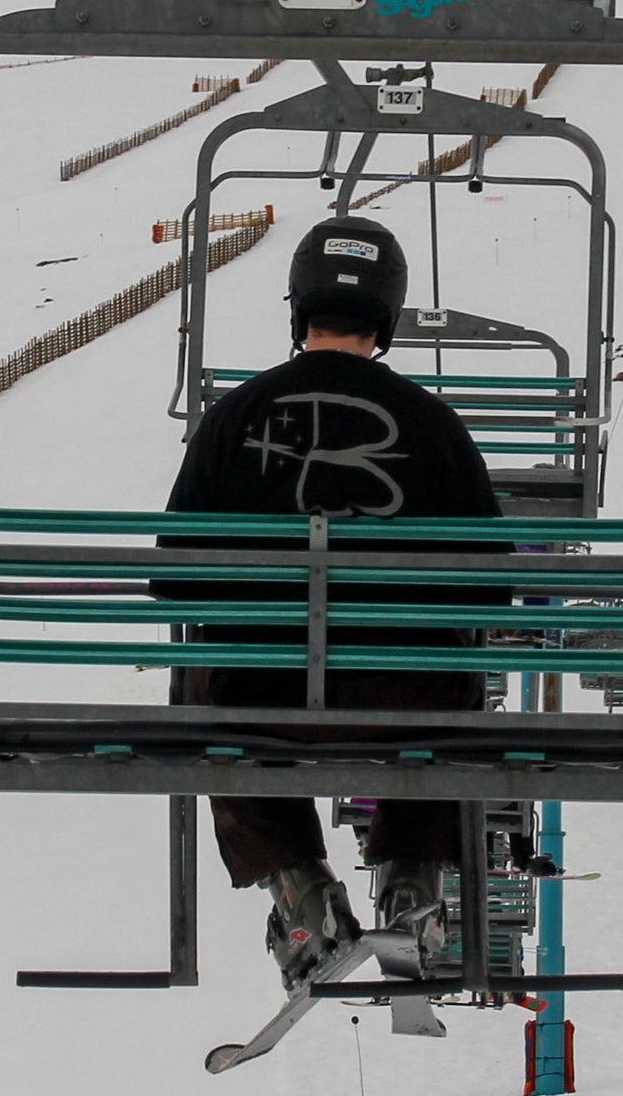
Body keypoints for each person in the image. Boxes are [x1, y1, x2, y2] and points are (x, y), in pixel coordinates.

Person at [160, 216, 500, 987]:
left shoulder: (233, 418)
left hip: (264, 703)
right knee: (461, 679)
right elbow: (490, 580)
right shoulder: (435, 426)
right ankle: (413, 878)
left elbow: (174, 571)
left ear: (299, 308)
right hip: (407, 700)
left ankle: (299, 887)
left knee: (212, 688)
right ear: (387, 312)